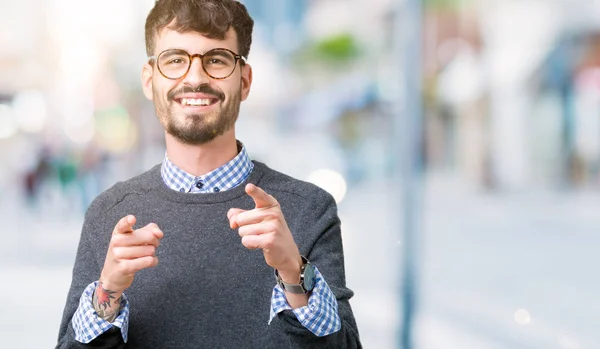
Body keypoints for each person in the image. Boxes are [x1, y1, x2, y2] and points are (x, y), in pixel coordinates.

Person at [55, 0, 361, 348]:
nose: (196, 78)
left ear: (244, 81)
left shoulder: (309, 209)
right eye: (175, 60)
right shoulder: (108, 213)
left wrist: (294, 273)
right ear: (149, 79)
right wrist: (107, 292)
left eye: (216, 59)